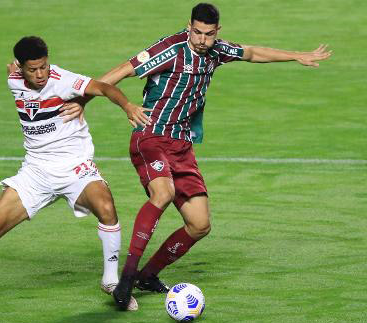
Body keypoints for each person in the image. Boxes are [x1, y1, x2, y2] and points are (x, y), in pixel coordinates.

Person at [56, 3, 332, 310]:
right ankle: (126, 278)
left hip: (182, 146)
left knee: (200, 224)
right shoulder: (170, 50)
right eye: (197, 32)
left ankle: (148, 275)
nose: (202, 39)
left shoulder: (217, 51)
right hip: (151, 136)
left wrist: (296, 55)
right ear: (189, 26)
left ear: (217, 32)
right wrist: (83, 101)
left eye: (209, 34)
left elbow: (252, 52)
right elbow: (120, 71)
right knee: (163, 193)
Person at [0, 36, 152, 310]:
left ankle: (111, 281)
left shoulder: (62, 79)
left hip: (75, 166)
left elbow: (103, 87)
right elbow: (10, 71)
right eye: (32, 69)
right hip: (35, 172)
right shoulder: (14, 79)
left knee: (106, 206)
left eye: (44, 67)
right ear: (21, 68)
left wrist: (127, 106)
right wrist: (15, 70)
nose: (40, 74)